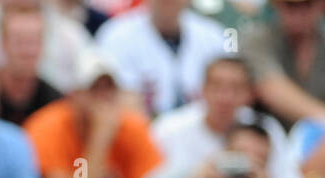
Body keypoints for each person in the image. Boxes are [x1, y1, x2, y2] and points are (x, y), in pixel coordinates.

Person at [143, 56, 301, 178]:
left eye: (236, 88)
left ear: (250, 94)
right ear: (202, 90)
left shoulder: (267, 129)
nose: (226, 97)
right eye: (217, 86)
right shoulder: (168, 129)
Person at [23, 48, 162, 178]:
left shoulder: (133, 127)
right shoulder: (48, 127)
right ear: (74, 94)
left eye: (110, 89)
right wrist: (100, 136)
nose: (103, 98)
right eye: (94, 89)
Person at [94, 0, 226, 116]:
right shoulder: (115, 34)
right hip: (141, 132)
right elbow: (110, 100)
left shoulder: (212, 34)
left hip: (203, 132)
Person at [240, 0, 325, 127]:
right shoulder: (257, 41)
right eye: (290, 4)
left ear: (323, 5)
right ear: (277, 5)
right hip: (270, 139)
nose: (298, 12)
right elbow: (272, 90)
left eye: (307, 4)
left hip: (324, 140)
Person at [133, 120, 274, 178]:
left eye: (258, 160)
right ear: (224, 152)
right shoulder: (179, 176)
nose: (245, 165)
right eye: (239, 156)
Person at [0, 4, 63, 126]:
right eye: (19, 42)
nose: (27, 51)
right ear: (3, 43)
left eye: (34, 42)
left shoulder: (55, 103)